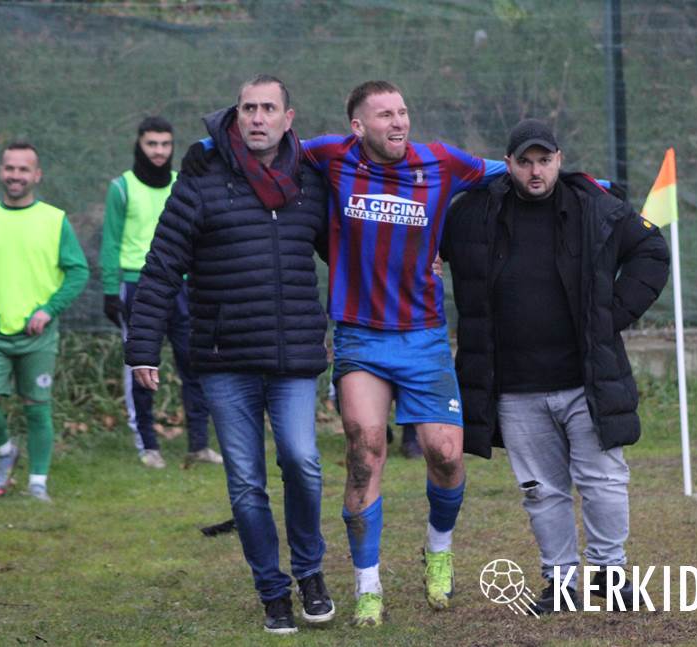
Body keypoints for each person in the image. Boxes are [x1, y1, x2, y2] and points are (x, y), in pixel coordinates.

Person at [183, 79, 505, 626]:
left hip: (424, 335)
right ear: (358, 127)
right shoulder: (330, 155)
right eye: (384, 115)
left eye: (402, 112)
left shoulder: (440, 161)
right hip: (360, 335)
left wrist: (592, 185)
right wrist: (207, 148)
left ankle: (438, 550)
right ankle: (367, 584)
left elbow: (517, 171)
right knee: (364, 450)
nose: (398, 122)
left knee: (447, 454)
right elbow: (269, 143)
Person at [125, 75, 334, 635]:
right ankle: (273, 592)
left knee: (302, 462)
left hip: (293, 357)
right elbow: (162, 266)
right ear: (236, 115)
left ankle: (310, 573)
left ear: (289, 118)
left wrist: (418, 260)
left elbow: (348, 251)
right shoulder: (200, 180)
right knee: (245, 483)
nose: (258, 118)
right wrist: (143, 347)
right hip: (224, 360)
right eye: (248, 108)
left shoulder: (311, 182)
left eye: (268, 108)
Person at [440, 119, 670, 613]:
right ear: (508, 165)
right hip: (514, 388)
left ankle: (611, 576)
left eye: (544, 161)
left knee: (603, 481)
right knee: (542, 492)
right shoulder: (472, 213)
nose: (535, 171)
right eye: (525, 162)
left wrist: (611, 316)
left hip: (587, 379)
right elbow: (419, 247)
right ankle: (561, 583)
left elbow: (651, 250)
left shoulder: (595, 207)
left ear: (559, 160)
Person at [0, 142, 89, 502]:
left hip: (38, 333)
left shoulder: (54, 220)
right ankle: (6, 450)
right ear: (1, 172)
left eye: (24, 169)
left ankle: (37, 483)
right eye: (10, 168)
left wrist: (48, 310)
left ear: (37, 175)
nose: (16, 175)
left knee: (37, 407)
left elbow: (78, 271)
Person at [100, 116, 219, 469]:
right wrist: (110, 291)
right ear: (139, 144)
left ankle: (199, 444)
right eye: (152, 144)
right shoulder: (121, 187)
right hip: (137, 284)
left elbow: (197, 237)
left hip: (181, 285)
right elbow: (110, 242)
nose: (159, 151)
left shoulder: (183, 183)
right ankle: (148, 446)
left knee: (193, 364)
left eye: (165, 144)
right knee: (141, 365)